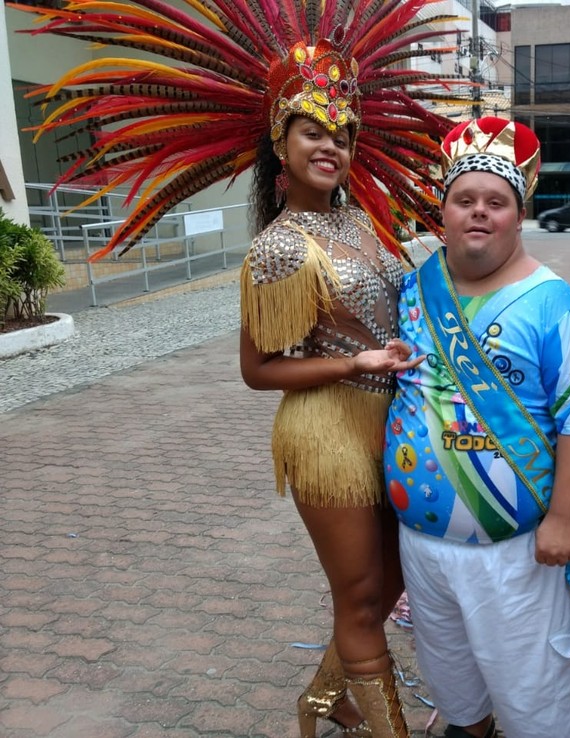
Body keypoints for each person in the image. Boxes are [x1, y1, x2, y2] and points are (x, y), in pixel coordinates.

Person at [16, 2, 469, 736]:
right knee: (359, 597)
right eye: (313, 131)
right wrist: (353, 360)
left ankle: (320, 701)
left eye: (343, 134)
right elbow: (256, 371)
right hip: (329, 435)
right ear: (281, 144)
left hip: (393, 427)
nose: (331, 145)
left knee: (386, 591)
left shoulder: (356, 223)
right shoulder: (279, 248)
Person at [383, 117, 570, 738]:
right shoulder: (414, 290)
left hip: (515, 550)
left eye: (496, 202)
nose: (479, 212)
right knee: (453, 682)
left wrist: (564, 516)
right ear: (444, 211)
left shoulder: (553, 303)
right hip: (421, 544)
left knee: (531, 687)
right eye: (465, 200)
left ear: (518, 213)